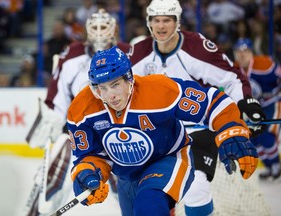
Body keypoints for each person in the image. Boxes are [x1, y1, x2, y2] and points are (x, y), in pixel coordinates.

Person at [68, 45, 258, 216]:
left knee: (148, 206)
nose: (110, 95)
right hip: (126, 175)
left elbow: (212, 102)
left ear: (129, 78)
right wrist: (88, 174)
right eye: (103, 87)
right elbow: (89, 155)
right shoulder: (82, 109)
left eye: (116, 84)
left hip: (168, 158)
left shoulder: (159, 90)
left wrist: (231, 129)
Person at [127, 0, 266, 215]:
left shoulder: (197, 47)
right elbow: (120, 89)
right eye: (156, 21)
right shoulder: (138, 53)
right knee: (155, 192)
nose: (161, 26)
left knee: (195, 186)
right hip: (159, 133)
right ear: (149, 22)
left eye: (167, 20)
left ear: (177, 22)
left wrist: (244, 103)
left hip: (197, 131)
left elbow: (232, 79)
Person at [24, 9, 130, 215]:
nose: (99, 32)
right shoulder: (71, 54)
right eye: (95, 27)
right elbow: (58, 93)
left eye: (103, 27)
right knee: (49, 179)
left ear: (113, 30)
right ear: (87, 30)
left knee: (129, 185)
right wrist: (53, 116)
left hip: (119, 132)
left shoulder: (127, 52)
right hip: (78, 132)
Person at [233, 38, 281, 180]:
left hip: (270, 104)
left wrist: (277, 91)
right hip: (251, 109)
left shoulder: (264, 64)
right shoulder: (234, 69)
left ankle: (276, 166)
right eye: (239, 52)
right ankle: (269, 167)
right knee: (253, 140)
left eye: (245, 51)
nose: (242, 55)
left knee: (266, 136)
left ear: (251, 53)